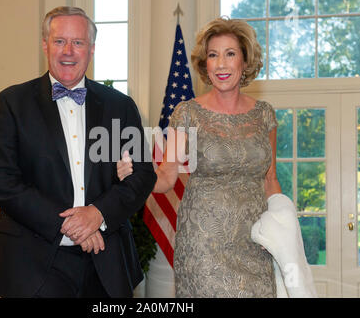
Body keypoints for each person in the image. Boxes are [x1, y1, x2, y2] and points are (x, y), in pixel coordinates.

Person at [0, 6, 156, 298]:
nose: (68, 51)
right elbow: (0, 180)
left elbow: (142, 175)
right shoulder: (11, 103)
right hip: (33, 264)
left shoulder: (120, 106)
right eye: (59, 41)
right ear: (45, 45)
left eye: (78, 42)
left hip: (106, 260)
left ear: (92, 49)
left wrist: (98, 214)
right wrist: (72, 224)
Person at [117, 17, 282, 297]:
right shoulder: (188, 113)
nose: (220, 64)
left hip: (256, 243)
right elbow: (167, 175)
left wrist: (278, 227)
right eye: (213, 55)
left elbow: (271, 180)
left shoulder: (264, 114)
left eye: (230, 54)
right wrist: (136, 174)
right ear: (205, 64)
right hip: (204, 247)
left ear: (245, 60)